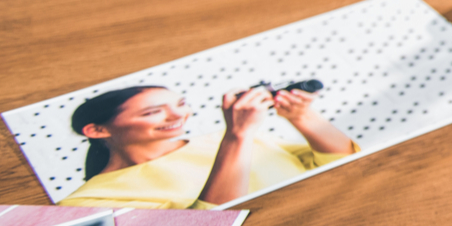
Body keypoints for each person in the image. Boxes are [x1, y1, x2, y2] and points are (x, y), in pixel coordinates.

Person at [64, 84, 358, 209]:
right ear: (98, 130)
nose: (179, 116)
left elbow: (343, 164)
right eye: (153, 112)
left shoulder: (219, 139)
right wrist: (237, 136)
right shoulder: (89, 201)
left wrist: (302, 116)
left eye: (180, 104)